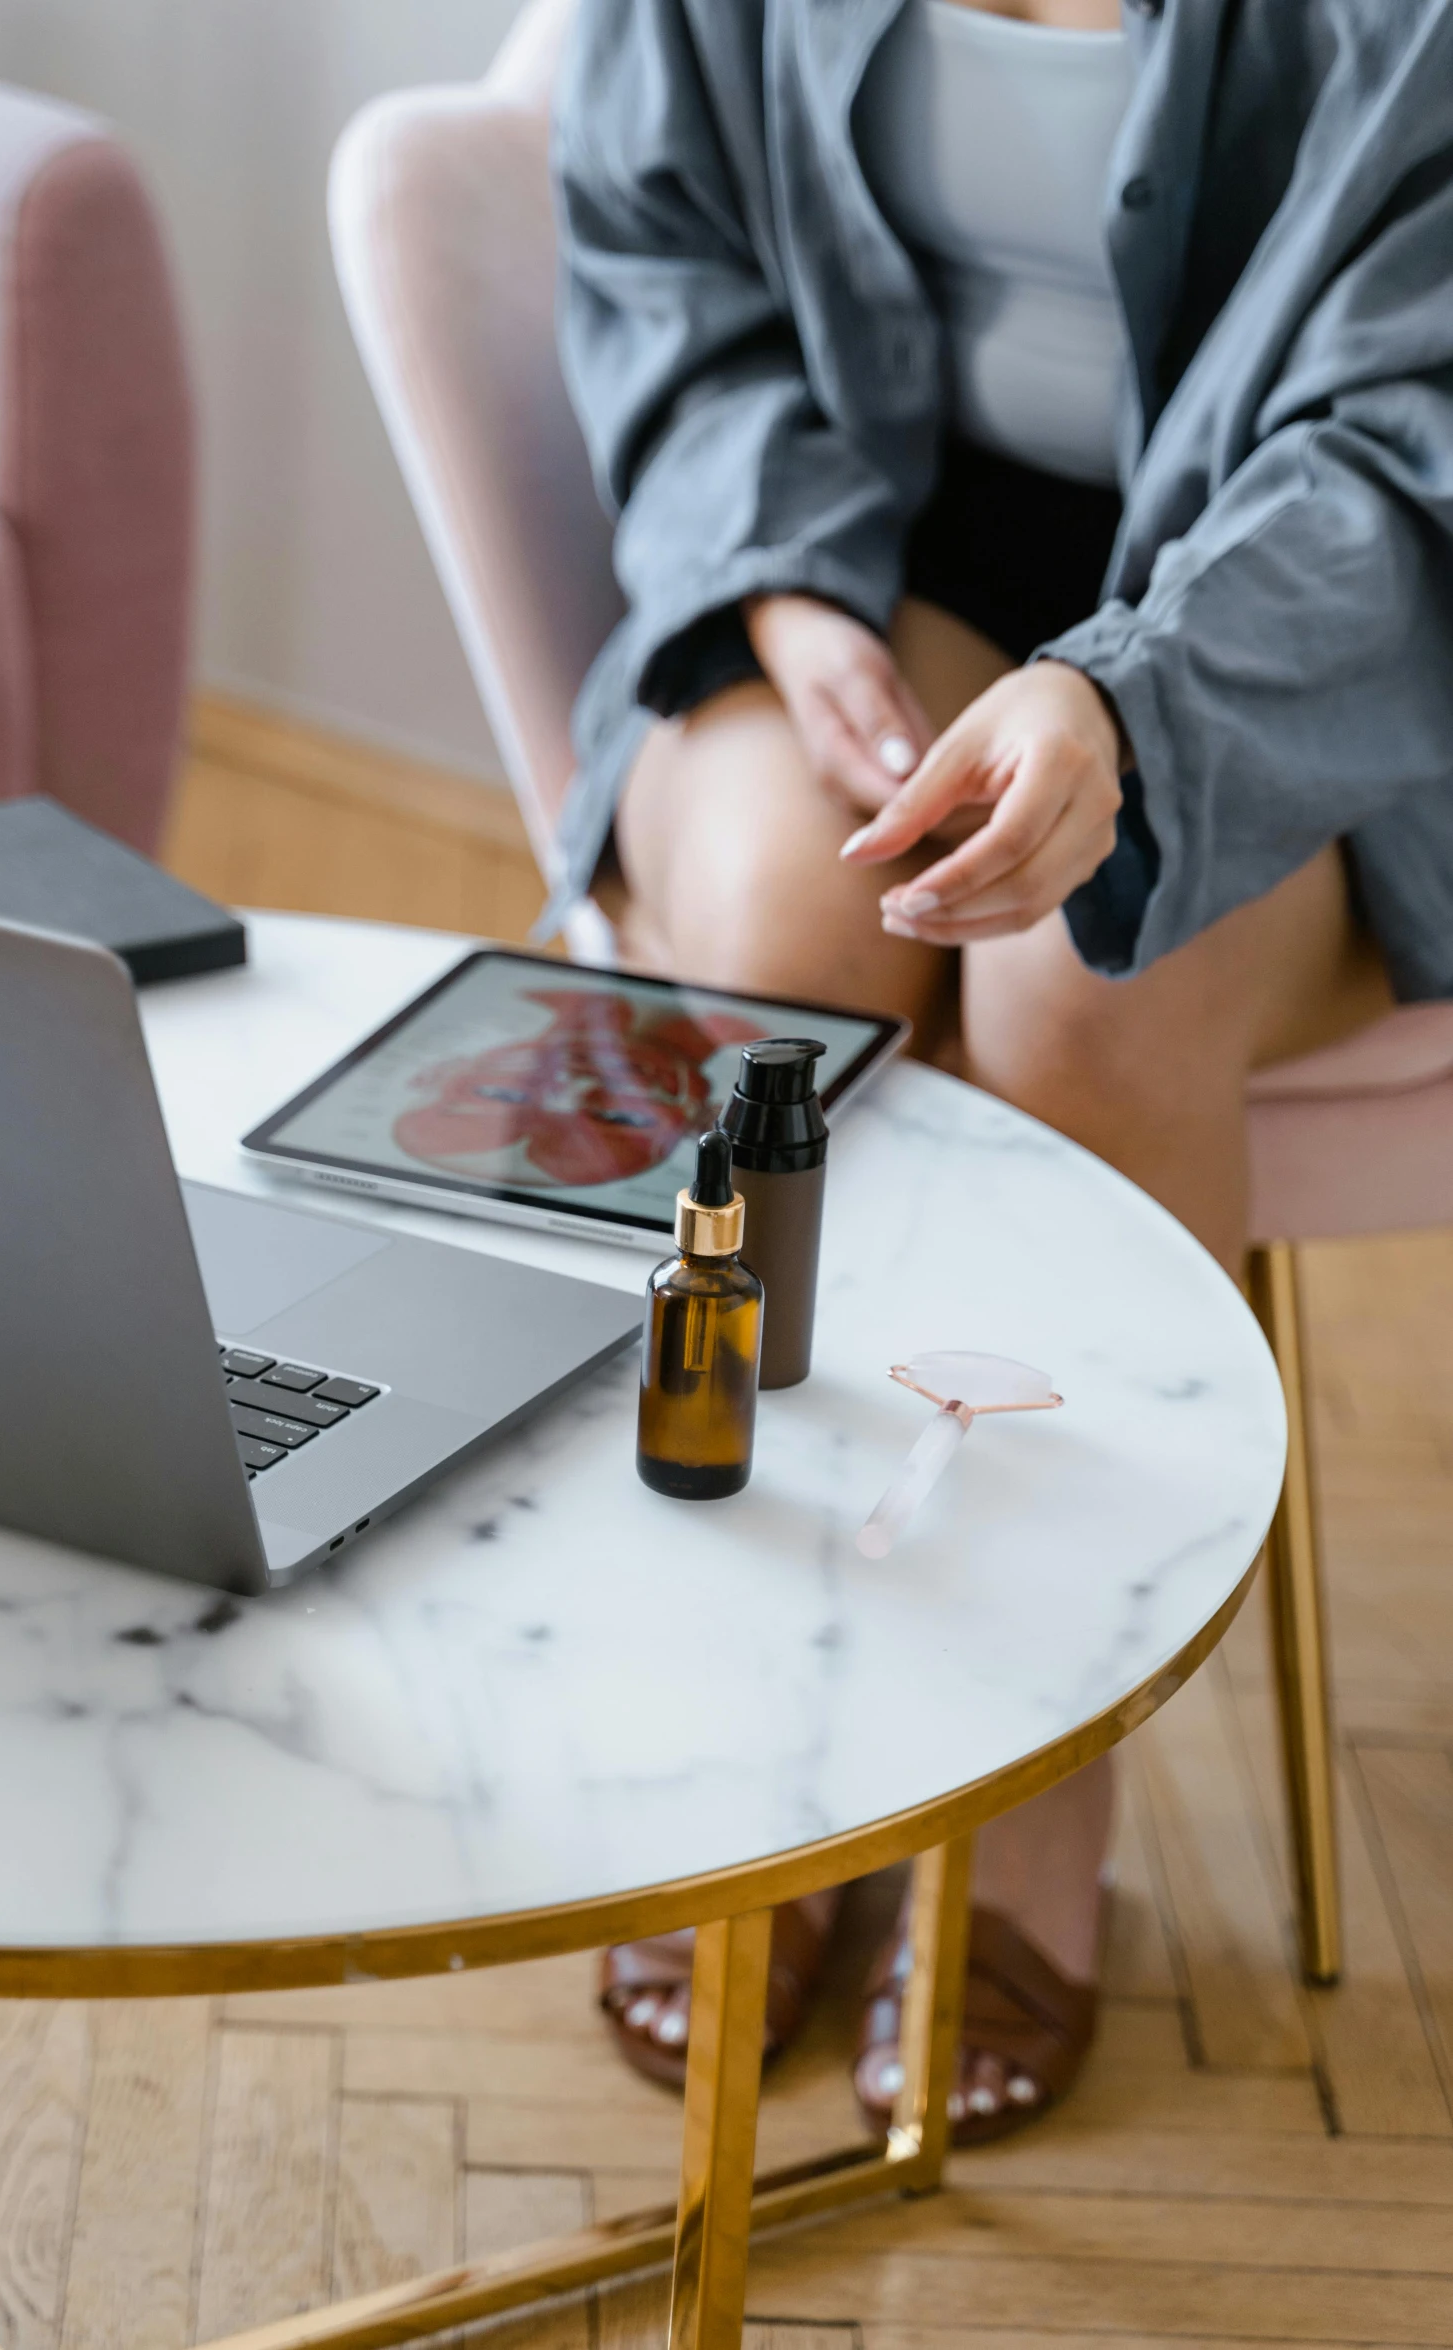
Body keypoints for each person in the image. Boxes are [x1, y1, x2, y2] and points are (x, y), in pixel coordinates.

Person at [548, 0, 1453, 2142]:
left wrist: (1130, 698)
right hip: (868, 559)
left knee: (1088, 971)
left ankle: (1031, 1808)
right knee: (781, 942)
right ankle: (751, 1718)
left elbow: (1406, 428)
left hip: (1285, 633)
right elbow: (658, 246)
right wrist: (779, 589)